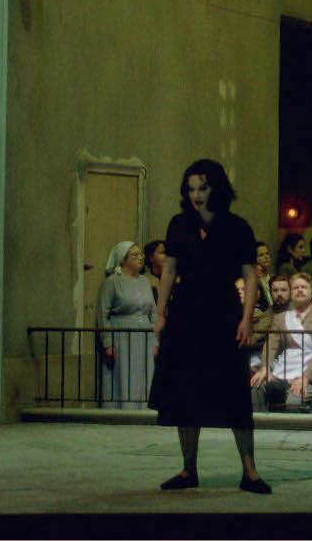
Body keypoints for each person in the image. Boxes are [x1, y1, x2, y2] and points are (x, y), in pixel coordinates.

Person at [148, 159, 270, 493]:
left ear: (216, 188)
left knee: (235, 392)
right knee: (185, 392)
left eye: (202, 188)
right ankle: (188, 469)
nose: (196, 195)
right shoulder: (179, 224)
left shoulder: (236, 226)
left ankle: (250, 472)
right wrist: (160, 314)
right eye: (191, 189)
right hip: (186, 313)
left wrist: (246, 318)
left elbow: (250, 275)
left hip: (223, 312)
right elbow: (169, 270)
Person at [250, 272, 312, 412]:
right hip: (282, 372)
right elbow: (271, 345)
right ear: (291, 293)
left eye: (304, 287)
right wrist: (265, 368)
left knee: (294, 403)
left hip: (309, 375)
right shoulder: (280, 318)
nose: (299, 290)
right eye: (295, 288)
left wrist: (306, 377)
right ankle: (262, 426)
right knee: (257, 386)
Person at [97, 240, 156, 409]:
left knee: (144, 373)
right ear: (123, 259)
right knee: (125, 373)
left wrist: (155, 340)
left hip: (145, 335)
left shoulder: (144, 281)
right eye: (135, 254)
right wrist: (108, 343)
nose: (141, 257)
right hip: (122, 336)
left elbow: (153, 311)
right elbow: (103, 314)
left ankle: (144, 408)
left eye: (141, 254)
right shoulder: (112, 282)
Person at [253, 240, 274, 312]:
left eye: (267, 254)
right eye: (261, 255)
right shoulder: (253, 281)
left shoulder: (273, 278)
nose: (266, 257)